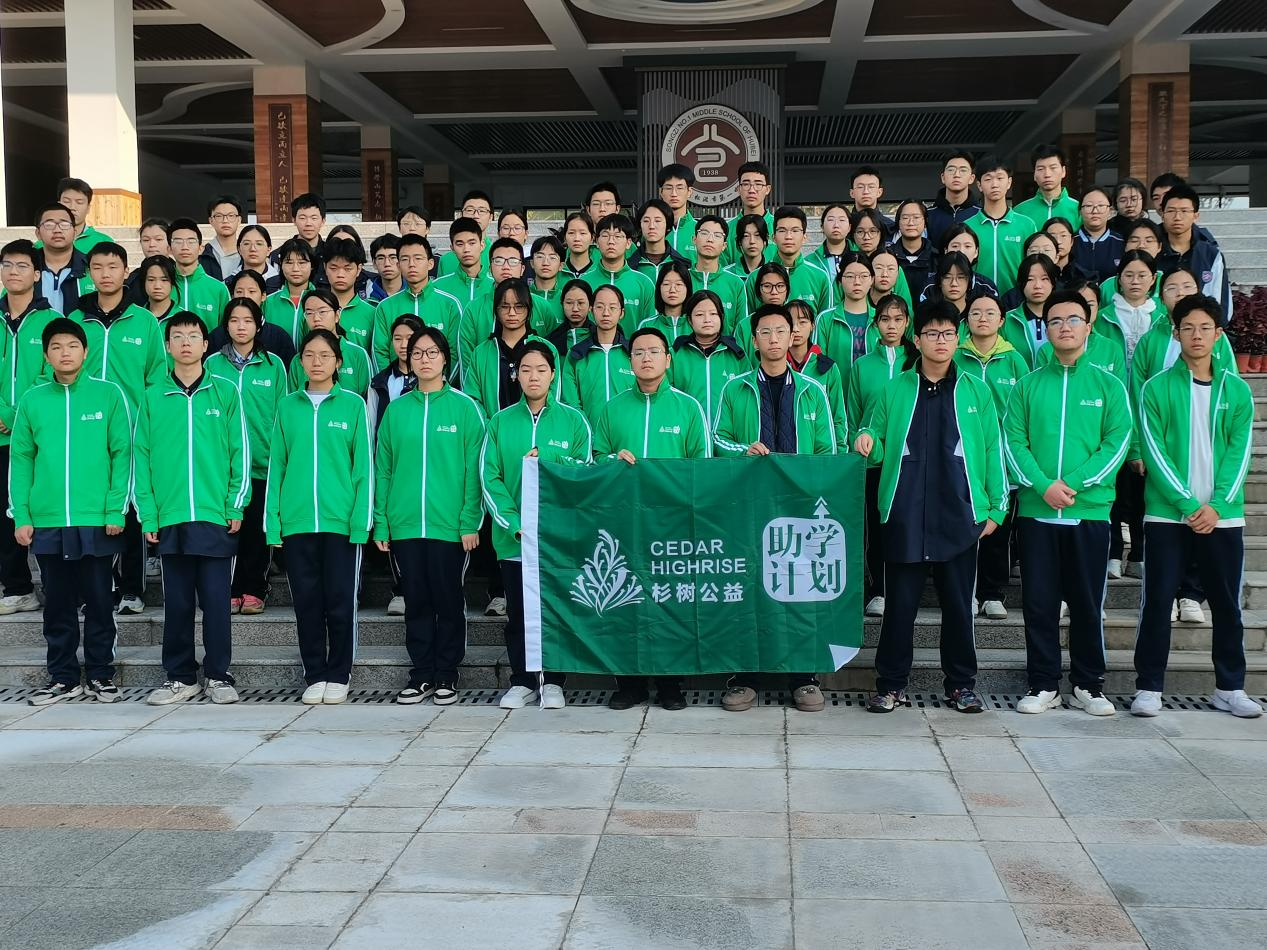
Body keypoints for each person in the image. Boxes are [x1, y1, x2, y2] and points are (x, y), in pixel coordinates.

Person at [855, 301, 1006, 713]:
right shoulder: (895, 389)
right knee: (899, 609)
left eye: (948, 333)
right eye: (932, 333)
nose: (941, 341)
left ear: (958, 339)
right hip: (904, 515)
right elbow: (876, 440)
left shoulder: (975, 391)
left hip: (960, 515)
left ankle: (961, 685)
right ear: (917, 339)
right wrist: (866, 440)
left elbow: (992, 450)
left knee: (958, 608)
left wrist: (996, 509)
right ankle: (890, 685)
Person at [1003, 290, 1132, 716]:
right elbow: (1013, 442)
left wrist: (1072, 485)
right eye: (1055, 321)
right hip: (1038, 513)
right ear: (1045, 329)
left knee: (1087, 603)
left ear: (1088, 326)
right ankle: (1043, 683)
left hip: (1088, 512)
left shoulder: (1108, 386)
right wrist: (1042, 486)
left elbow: (1116, 443)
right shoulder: (1027, 386)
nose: (1064, 327)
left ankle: (1088, 684)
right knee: (1039, 603)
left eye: (1073, 319)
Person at [1132, 294, 1260, 719]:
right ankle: (1149, 686)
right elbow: (1154, 451)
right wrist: (1188, 504)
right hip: (1168, 516)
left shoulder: (1236, 390)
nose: (1197, 335)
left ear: (1218, 334)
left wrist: (1218, 505)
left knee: (1226, 605)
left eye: (1205, 328)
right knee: (1157, 601)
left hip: (1223, 518)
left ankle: (1230, 687)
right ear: (1176, 333)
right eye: (1188, 328)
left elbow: (1240, 454)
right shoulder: (1156, 388)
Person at [713, 305, 835, 712]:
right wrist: (743, 450)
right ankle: (745, 677)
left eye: (781, 330)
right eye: (765, 331)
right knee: (749, 589)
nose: (773, 338)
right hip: (750, 504)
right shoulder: (735, 389)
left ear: (793, 335)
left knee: (801, 588)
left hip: (798, 507)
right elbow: (718, 440)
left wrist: (811, 489)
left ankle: (804, 677)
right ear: (754, 340)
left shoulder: (812, 390)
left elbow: (827, 451)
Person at [10, 318, 131, 705]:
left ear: (85, 351)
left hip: (96, 518)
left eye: (72, 346)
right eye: (56, 347)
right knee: (58, 605)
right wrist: (21, 514)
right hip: (47, 520)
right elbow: (21, 460)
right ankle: (62, 677)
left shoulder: (108, 395)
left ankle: (100, 674)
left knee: (99, 600)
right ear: (46, 356)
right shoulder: (33, 400)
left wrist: (115, 509)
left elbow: (122, 454)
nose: (65, 353)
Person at [136, 312, 248, 706]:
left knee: (216, 603)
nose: (186, 342)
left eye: (193, 336)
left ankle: (218, 675)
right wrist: (148, 512)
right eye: (178, 336)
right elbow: (141, 457)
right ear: (167, 346)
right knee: (178, 603)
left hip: (214, 514)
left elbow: (240, 451)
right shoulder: (153, 396)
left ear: (205, 344)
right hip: (170, 516)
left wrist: (235, 502)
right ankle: (181, 677)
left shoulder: (225, 392)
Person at [595, 326, 709, 710]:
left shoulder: (688, 408)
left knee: (669, 603)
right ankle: (629, 684)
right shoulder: (612, 408)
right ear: (629, 361)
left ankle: (670, 683)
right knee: (624, 600)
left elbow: (700, 467)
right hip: (623, 522)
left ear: (668, 359)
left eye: (654, 351)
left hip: (670, 524)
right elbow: (594, 458)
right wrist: (612, 460)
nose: (646, 358)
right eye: (639, 352)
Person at [375, 327, 484, 705]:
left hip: (449, 526)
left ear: (445, 359)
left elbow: (474, 471)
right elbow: (384, 469)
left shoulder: (465, 408)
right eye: (417, 353)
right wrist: (382, 520)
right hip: (405, 524)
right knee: (416, 601)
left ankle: (447, 673)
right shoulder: (397, 410)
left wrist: (470, 521)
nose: (424, 359)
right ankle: (421, 673)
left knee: (448, 599)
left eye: (432, 352)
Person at [483, 339, 593, 710]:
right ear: (515, 375)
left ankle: (555, 681)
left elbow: (584, 470)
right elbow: (490, 477)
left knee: (554, 612)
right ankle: (523, 681)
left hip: (556, 540)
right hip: (515, 540)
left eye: (541, 369)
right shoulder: (500, 422)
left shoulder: (573, 421)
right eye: (526, 369)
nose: (533, 376)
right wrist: (513, 523)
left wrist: (549, 457)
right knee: (518, 615)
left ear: (553, 374)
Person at [265, 328, 372, 705]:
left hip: (340, 523)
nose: (316, 362)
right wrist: (273, 521)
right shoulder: (287, 406)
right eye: (309, 355)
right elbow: (277, 464)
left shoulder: (353, 405)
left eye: (325, 355)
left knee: (340, 602)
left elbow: (363, 468)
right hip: (297, 523)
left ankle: (339, 673)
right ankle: (314, 673)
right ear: (299, 362)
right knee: (307, 603)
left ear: (338, 362)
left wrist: (360, 521)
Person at [68, 243, 167, 615]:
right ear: (89, 273)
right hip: (87, 429)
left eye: (113, 266)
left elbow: (157, 375)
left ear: (126, 272)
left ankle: (132, 588)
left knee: (131, 508)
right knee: (94, 508)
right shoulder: (77, 318)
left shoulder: (144, 321)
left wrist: (148, 419)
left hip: (133, 428)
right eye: (98, 267)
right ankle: (100, 587)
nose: (105, 273)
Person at [205, 299, 287, 616]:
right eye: (234, 320)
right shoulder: (212, 364)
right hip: (223, 465)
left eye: (248, 320)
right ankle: (230, 588)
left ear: (259, 324)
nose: (241, 326)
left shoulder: (273, 365)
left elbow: (281, 415)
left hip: (262, 461)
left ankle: (255, 588)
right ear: (225, 325)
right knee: (228, 528)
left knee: (256, 529)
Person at [954, 292, 1028, 619]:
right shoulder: (955, 357)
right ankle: (965, 591)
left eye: (989, 313)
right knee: (963, 525)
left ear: (1001, 320)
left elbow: (1025, 411)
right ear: (966, 320)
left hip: (1003, 458)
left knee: (997, 528)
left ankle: (992, 592)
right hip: (963, 456)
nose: (982, 318)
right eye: (975, 312)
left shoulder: (1015, 360)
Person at [0, 240, 61, 616]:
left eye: (22, 266)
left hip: (37, 434)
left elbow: (52, 371)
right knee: (3, 512)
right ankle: (18, 587)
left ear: (37, 274)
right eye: (7, 265)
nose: (13, 272)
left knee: (38, 508)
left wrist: (12, 415)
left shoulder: (50, 320)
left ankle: (56, 586)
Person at [846, 295, 917, 618]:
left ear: (907, 323)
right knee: (877, 527)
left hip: (911, 461)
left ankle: (909, 588)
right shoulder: (862, 366)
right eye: (885, 319)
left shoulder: (916, 363)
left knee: (909, 526)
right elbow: (854, 414)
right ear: (875, 324)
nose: (892, 326)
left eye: (898, 319)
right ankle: (879, 590)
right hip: (875, 462)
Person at [367, 315, 423, 617]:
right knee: (393, 522)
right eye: (398, 338)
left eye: (410, 338)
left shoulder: (431, 381)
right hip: (390, 463)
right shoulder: (380, 382)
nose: (403, 344)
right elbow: (371, 424)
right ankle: (400, 589)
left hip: (423, 464)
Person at [370, 234, 463, 375]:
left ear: (430, 263)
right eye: (405, 259)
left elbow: (455, 352)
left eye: (418, 258)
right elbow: (379, 352)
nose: (411, 264)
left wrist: (440, 383)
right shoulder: (385, 307)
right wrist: (390, 383)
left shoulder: (450, 304)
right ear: (398, 265)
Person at [465, 278, 557, 416]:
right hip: (492, 428)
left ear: (529, 308)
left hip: (536, 428)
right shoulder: (481, 353)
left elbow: (553, 398)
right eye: (504, 306)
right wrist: (492, 426)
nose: (512, 313)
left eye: (519, 307)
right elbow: (473, 401)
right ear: (496, 310)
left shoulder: (547, 349)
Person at [669, 290, 749, 433]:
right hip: (687, 432)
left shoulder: (737, 355)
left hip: (728, 434)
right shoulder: (676, 354)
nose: (707, 319)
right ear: (689, 320)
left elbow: (747, 399)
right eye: (699, 315)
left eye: (713, 314)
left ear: (721, 317)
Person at [965, 154, 1038, 296]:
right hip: (978, 301)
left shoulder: (1027, 225)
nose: (994, 184)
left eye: (1000, 178)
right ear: (979, 185)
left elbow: (1035, 265)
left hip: (1017, 300)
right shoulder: (967, 227)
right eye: (988, 179)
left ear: (1009, 182)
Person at [456, 238, 530, 373]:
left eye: (513, 261)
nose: (506, 267)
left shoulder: (540, 306)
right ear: (490, 268)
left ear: (522, 269)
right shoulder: (474, 309)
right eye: (499, 261)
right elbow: (467, 362)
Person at [1157, 184, 1232, 317]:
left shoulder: (1210, 255)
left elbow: (1220, 302)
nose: (1177, 217)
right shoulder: (1152, 251)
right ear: (1162, 215)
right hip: (1158, 326)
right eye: (1171, 211)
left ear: (1196, 216)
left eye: (1184, 211)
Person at [562, 284, 633, 421]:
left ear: (622, 313)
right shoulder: (576, 354)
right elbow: (571, 404)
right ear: (591, 310)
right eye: (600, 307)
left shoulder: (634, 353)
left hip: (627, 431)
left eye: (612, 307)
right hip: (588, 432)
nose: (606, 313)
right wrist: (586, 430)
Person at [785, 300, 849, 451]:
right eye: (790, 323)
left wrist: (839, 453)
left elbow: (838, 417)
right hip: (782, 453)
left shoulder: (828, 368)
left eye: (803, 322)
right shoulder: (775, 366)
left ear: (813, 326)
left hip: (819, 452)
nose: (796, 329)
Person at [745, 206, 832, 315]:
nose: (788, 236)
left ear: (805, 237)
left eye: (795, 230)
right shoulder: (755, 277)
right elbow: (748, 321)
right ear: (773, 237)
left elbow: (824, 322)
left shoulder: (820, 277)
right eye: (782, 230)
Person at [287, 289, 372, 397]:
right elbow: (293, 399)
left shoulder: (357, 354)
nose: (316, 318)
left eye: (322, 312)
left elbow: (368, 398)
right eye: (309, 313)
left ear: (337, 315)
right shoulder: (299, 360)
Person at [582, 214, 655, 330]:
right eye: (605, 235)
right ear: (596, 241)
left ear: (628, 243)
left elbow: (650, 326)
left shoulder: (644, 283)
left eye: (618, 236)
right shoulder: (583, 282)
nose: (611, 241)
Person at [167, 218, 231, 330]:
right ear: (169, 249)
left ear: (201, 248)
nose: (185, 247)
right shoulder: (162, 287)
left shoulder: (218, 289)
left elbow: (226, 330)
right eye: (178, 241)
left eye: (191, 241)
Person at [690, 215, 748, 335]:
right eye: (704, 233)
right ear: (694, 239)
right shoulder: (681, 280)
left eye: (717, 235)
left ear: (724, 246)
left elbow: (741, 329)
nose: (710, 239)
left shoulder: (735, 283)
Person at [1002, 254, 1060, 368]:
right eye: (1030, 279)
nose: (1037, 285)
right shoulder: (1006, 321)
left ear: (1053, 282)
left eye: (1044, 279)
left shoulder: (1065, 321)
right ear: (1021, 283)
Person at [816, 251, 874, 365]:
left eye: (863, 276)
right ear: (840, 280)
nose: (857, 282)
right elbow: (818, 362)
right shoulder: (825, 319)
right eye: (850, 276)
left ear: (872, 280)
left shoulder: (880, 318)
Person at [432, 217, 495, 322]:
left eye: (472, 243)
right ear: (452, 248)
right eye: (460, 244)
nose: (466, 249)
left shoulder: (495, 286)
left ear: (482, 245)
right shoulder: (437, 287)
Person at [34, 202, 91, 315]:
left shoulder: (91, 266)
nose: (57, 230)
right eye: (49, 224)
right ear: (38, 233)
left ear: (75, 232)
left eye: (64, 224)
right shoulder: (26, 267)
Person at [324, 237, 376, 358]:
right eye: (333, 268)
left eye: (347, 269)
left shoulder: (372, 313)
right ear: (325, 267)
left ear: (359, 269)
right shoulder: (313, 310)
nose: (340, 274)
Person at [1015, 144, 1081, 231]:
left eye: (1053, 168)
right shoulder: (1020, 211)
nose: (1047, 174)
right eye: (1041, 169)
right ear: (1034, 174)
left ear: (1063, 171)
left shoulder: (1078, 209)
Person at [724, 161, 775, 266]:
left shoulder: (778, 226)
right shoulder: (727, 229)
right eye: (746, 184)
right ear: (739, 189)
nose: (752, 190)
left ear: (767, 189)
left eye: (758, 184)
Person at [927, 150, 980, 249]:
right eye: (951, 170)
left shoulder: (981, 214)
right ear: (943, 177)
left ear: (972, 178)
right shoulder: (928, 215)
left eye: (963, 170)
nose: (957, 175)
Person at [629, 198, 690, 283]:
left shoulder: (683, 265)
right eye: (646, 221)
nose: (651, 226)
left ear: (668, 226)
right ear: (640, 225)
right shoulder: (629, 266)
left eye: (657, 221)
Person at [270, 193, 327, 282]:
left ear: (323, 221)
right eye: (302, 218)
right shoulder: (278, 255)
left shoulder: (330, 253)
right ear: (294, 220)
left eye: (314, 218)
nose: (308, 223)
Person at [436, 191, 494, 279]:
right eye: (470, 210)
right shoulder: (445, 260)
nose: (476, 215)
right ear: (461, 214)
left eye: (482, 211)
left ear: (490, 217)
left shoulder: (497, 255)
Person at [1072, 188, 1124, 284]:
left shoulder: (1120, 242)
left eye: (1101, 206)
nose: (1095, 211)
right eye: (1088, 206)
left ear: (1110, 211)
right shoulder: (1070, 242)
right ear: (1080, 212)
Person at [639, 259, 693, 344]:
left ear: (688, 288)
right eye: (666, 284)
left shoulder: (695, 323)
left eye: (679, 284)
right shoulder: (647, 325)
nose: (672, 290)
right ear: (659, 288)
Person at [890, 199, 936, 294]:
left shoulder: (937, 258)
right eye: (905, 218)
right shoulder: (888, 256)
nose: (911, 223)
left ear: (925, 222)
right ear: (898, 222)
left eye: (916, 217)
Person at [56, 177, 110, 254]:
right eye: (66, 201)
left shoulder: (104, 242)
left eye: (79, 202)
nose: (72, 207)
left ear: (88, 208)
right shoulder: (43, 243)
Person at [529, 234, 567, 334]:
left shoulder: (567, 299)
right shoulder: (523, 297)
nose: (545, 263)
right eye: (540, 256)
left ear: (561, 265)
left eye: (552, 257)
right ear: (532, 263)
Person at [199, 195, 243, 280]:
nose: (225, 221)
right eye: (219, 216)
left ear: (239, 220)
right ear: (211, 221)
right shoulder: (202, 254)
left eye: (231, 216)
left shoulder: (247, 253)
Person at [658, 162, 697, 257]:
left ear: (689, 191)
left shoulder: (700, 230)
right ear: (661, 192)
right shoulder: (651, 229)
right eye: (668, 188)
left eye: (680, 188)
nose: (674, 194)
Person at [549, 279, 595, 356]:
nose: (575, 309)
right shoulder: (551, 341)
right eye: (569, 303)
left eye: (581, 303)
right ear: (562, 304)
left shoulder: (599, 338)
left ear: (590, 306)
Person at [807, 203, 851, 284]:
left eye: (842, 220)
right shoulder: (810, 262)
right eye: (831, 220)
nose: (836, 225)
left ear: (849, 227)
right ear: (822, 227)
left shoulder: (859, 256)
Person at [725, 213, 772, 278]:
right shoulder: (727, 274)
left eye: (757, 235)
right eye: (746, 236)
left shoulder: (775, 273)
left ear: (766, 239)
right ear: (739, 241)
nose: (752, 241)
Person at [237, 224, 278, 290]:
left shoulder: (281, 284)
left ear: (269, 250)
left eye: (259, 244)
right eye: (246, 243)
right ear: (239, 249)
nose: (252, 249)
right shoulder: (228, 285)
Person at [139, 255, 178, 324]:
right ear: (144, 282)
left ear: (172, 282)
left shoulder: (183, 317)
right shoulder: (136, 317)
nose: (157, 286)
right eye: (151, 280)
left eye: (164, 280)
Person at [368, 234, 403, 303]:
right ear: (374, 263)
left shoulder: (415, 297)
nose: (387, 264)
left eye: (393, 257)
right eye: (381, 258)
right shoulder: (367, 300)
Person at [562, 211, 596, 279]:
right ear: (565, 237)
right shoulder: (557, 271)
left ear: (592, 238)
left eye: (582, 233)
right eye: (571, 233)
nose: (577, 238)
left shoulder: (597, 271)